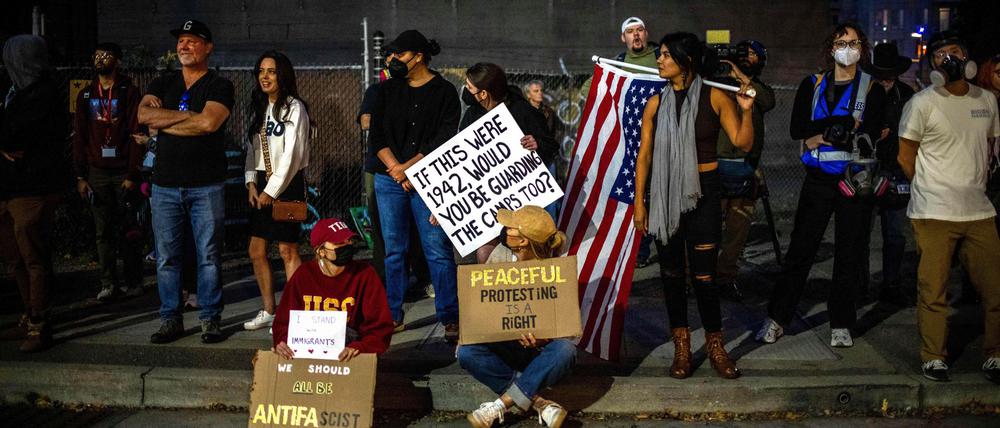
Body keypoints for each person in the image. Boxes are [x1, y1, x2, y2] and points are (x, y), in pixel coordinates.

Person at [633, 32, 756, 379]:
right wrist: (640, 205)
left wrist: (746, 111)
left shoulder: (715, 96)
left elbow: (742, 143)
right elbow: (644, 156)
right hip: (665, 195)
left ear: (685, 62)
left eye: (666, 55)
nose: (659, 61)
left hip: (704, 192)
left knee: (704, 276)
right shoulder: (656, 103)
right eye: (660, 55)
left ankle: (716, 346)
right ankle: (682, 349)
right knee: (671, 275)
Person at [756, 23, 886, 348]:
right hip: (817, 181)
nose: (848, 47)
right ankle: (777, 318)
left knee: (848, 254)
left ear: (862, 47)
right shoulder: (812, 84)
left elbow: (870, 130)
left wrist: (822, 133)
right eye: (842, 42)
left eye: (854, 42)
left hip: (854, 181)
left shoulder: (872, 89)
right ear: (831, 48)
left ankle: (841, 322)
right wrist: (837, 126)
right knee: (800, 252)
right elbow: (797, 128)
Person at [897, 31, 1000, 384]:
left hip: (979, 210)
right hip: (934, 213)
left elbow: (987, 149)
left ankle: (995, 354)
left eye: (954, 52)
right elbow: (905, 156)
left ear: (968, 58)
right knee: (933, 289)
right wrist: (930, 188)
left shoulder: (987, 100)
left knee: (995, 288)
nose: (947, 59)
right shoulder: (922, 103)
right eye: (939, 55)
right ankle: (933, 357)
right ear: (933, 65)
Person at [138, 20, 235, 344]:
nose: (184, 46)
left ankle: (209, 319)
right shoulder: (163, 81)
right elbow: (143, 116)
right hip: (165, 185)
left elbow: (209, 123)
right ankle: (170, 318)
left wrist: (163, 122)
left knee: (208, 255)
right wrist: (185, 120)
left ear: (207, 48)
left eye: (192, 41)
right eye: (181, 40)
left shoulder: (219, 85)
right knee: (167, 257)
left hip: (206, 185)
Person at [368, 29, 460, 340]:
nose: (392, 60)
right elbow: (376, 135)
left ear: (419, 57)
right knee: (394, 251)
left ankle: (450, 316)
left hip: (428, 179)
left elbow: (444, 138)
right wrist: (397, 169)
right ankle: (392, 315)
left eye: (399, 55)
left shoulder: (445, 92)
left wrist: (409, 168)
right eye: (391, 55)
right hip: (390, 178)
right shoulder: (386, 90)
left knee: (437, 249)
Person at [459, 206, 575, 428]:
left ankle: (500, 406)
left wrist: (543, 338)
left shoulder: (557, 269)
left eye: (510, 227)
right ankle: (539, 403)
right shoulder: (499, 255)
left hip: (541, 353)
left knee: (566, 350)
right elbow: (485, 309)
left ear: (523, 241)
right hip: (506, 346)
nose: (505, 230)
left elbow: (567, 325)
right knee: (466, 351)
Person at [0, 35, 69, 353]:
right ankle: (28, 317)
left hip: (33, 187)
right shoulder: (14, 92)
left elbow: (15, 134)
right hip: (9, 187)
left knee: (33, 257)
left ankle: (40, 324)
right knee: (15, 258)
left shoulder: (43, 94)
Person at [460, 62, 556, 261]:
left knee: (524, 246)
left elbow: (550, 145)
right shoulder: (472, 115)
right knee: (485, 250)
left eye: (470, 87)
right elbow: (460, 158)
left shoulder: (523, 111)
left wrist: (537, 143)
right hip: (487, 199)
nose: (466, 91)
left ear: (484, 93)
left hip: (523, 199)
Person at [242, 51, 310, 331]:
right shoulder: (260, 107)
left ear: (283, 75)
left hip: (287, 181)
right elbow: (252, 148)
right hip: (261, 183)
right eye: (261, 71)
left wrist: (272, 189)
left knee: (287, 249)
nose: (265, 77)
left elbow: (293, 154)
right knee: (256, 249)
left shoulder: (294, 107)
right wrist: (250, 182)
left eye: (271, 71)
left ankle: (292, 313)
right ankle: (269, 310)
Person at [73, 42, 145, 301]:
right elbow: (79, 135)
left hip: (123, 169)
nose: (100, 59)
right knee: (102, 230)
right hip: (97, 172)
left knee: (129, 228)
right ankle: (108, 282)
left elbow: (137, 132)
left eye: (106, 55)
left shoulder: (128, 90)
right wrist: (81, 176)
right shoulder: (85, 94)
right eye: (96, 55)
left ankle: (134, 281)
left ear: (117, 60)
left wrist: (133, 174)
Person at [272, 218, 393, 361]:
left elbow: (380, 326)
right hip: (308, 348)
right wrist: (283, 342)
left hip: (350, 349)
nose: (347, 245)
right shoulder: (303, 275)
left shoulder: (365, 274)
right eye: (339, 243)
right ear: (321, 251)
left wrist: (361, 347)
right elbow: (283, 322)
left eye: (349, 240)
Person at [715, 39, 776, 300]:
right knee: (706, 228)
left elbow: (766, 100)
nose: (745, 57)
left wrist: (739, 76)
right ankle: (695, 279)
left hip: (745, 168)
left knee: (737, 231)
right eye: (742, 53)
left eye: (752, 54)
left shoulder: (757, 89)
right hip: (714, 165)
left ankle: (725, 279)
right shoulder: (716, 82)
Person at [863, 42, 916, 306]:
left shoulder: (907, 95)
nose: (885, 80)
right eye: (881, 74)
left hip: (896, 170)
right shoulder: (863, 93)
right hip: (867, 171)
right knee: (861, 231)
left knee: (895, 234)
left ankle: (891, 284)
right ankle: (860, 285)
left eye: (890, 74)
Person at [524, 79, 565, 219]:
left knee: (550, 192)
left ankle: (550, 226)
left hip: (547, 156)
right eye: (536, 91)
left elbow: (554, 134)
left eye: (541, 90)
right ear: (528, 94)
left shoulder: (548, 112)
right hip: (529, 159)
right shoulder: (523, 111)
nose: (540, 93)